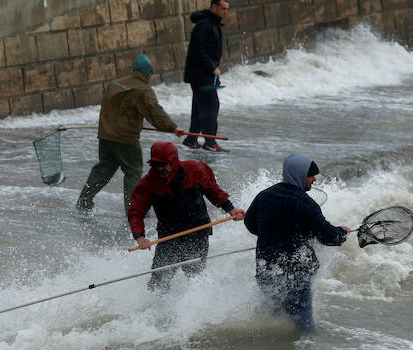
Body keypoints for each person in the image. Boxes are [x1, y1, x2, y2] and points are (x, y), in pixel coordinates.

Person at [244, 154, 350, 331]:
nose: (314, 179)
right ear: (299, 175)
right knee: (304, 327)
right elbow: (328, 236)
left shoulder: (264, 195)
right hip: (296, 274)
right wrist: (342, 232)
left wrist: (271, 235)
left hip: (266, 269)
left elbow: (250, 222)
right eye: (311, 176)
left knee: (269, 318)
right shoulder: (305, 203)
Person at [76, 53, 186, 213]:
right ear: (148, 74)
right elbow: (154, 111)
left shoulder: (115, 84)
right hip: (125, 139)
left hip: (106, 135)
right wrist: (173, 128)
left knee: (103, 170)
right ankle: (134, 210)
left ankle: (84, 202)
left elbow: (118, 110)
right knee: (133, 172)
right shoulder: (143, 90)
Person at [128, 141, 245, 291]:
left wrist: (230, 209)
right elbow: (135, 212)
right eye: (156, 165)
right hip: (169, 235)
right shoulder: (147, 184)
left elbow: (213, 191)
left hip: (198, 230)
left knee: (194, 277)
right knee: (158, 281)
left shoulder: (195, 170)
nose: (160, 168)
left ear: (174, 161)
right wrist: (140, 237)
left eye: (164, 164)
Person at [182, 0, 229, 152]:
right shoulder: (204, 25)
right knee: (211, 105)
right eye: (223, 8)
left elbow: (209, 47)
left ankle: (191, 139)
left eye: (226, 9)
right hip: (201, 74)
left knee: (199, 106)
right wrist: (212, 67)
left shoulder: (212, 23)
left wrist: (217, 59)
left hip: (204, 74)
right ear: (213, 7)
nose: (225, 12)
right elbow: (199, 50)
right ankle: (210, 142)